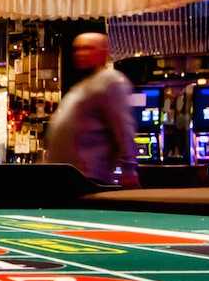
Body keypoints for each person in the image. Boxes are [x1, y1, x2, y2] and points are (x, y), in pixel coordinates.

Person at [44, 31, 139, 186]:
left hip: (88, 176)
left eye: (88, 48)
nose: (81, 53)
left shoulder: (111, 81)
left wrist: (129, 169)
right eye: (78, 49)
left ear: (104, 52)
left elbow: (123, 128)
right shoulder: (82, 86)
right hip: (65, 175)